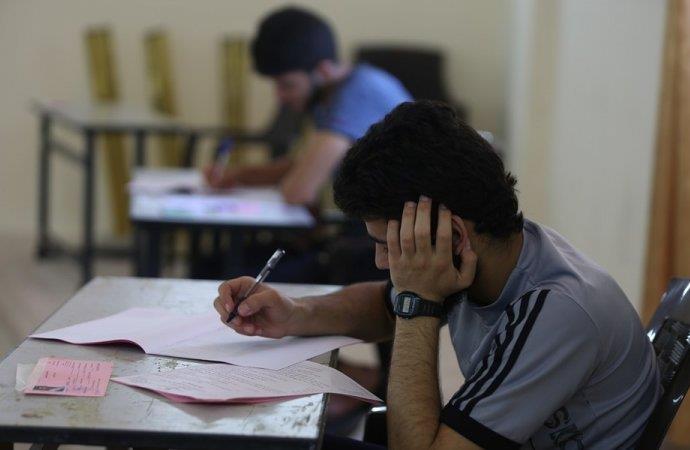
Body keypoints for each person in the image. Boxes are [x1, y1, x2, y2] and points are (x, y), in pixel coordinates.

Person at [212, 100, 660, 449]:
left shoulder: (556, 311)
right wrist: (295, 313)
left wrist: (419, 303)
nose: (381, 261)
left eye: (387, 244)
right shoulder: (495, 250)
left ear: (453, 235)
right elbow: (383, 306)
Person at [204, 6, 412, 206]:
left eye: (287, 85)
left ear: (323, 70)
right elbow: (304, 164)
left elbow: (298, 192)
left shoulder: (358, 94)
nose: (280, 97)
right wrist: (238, 175)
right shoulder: (332, 92)